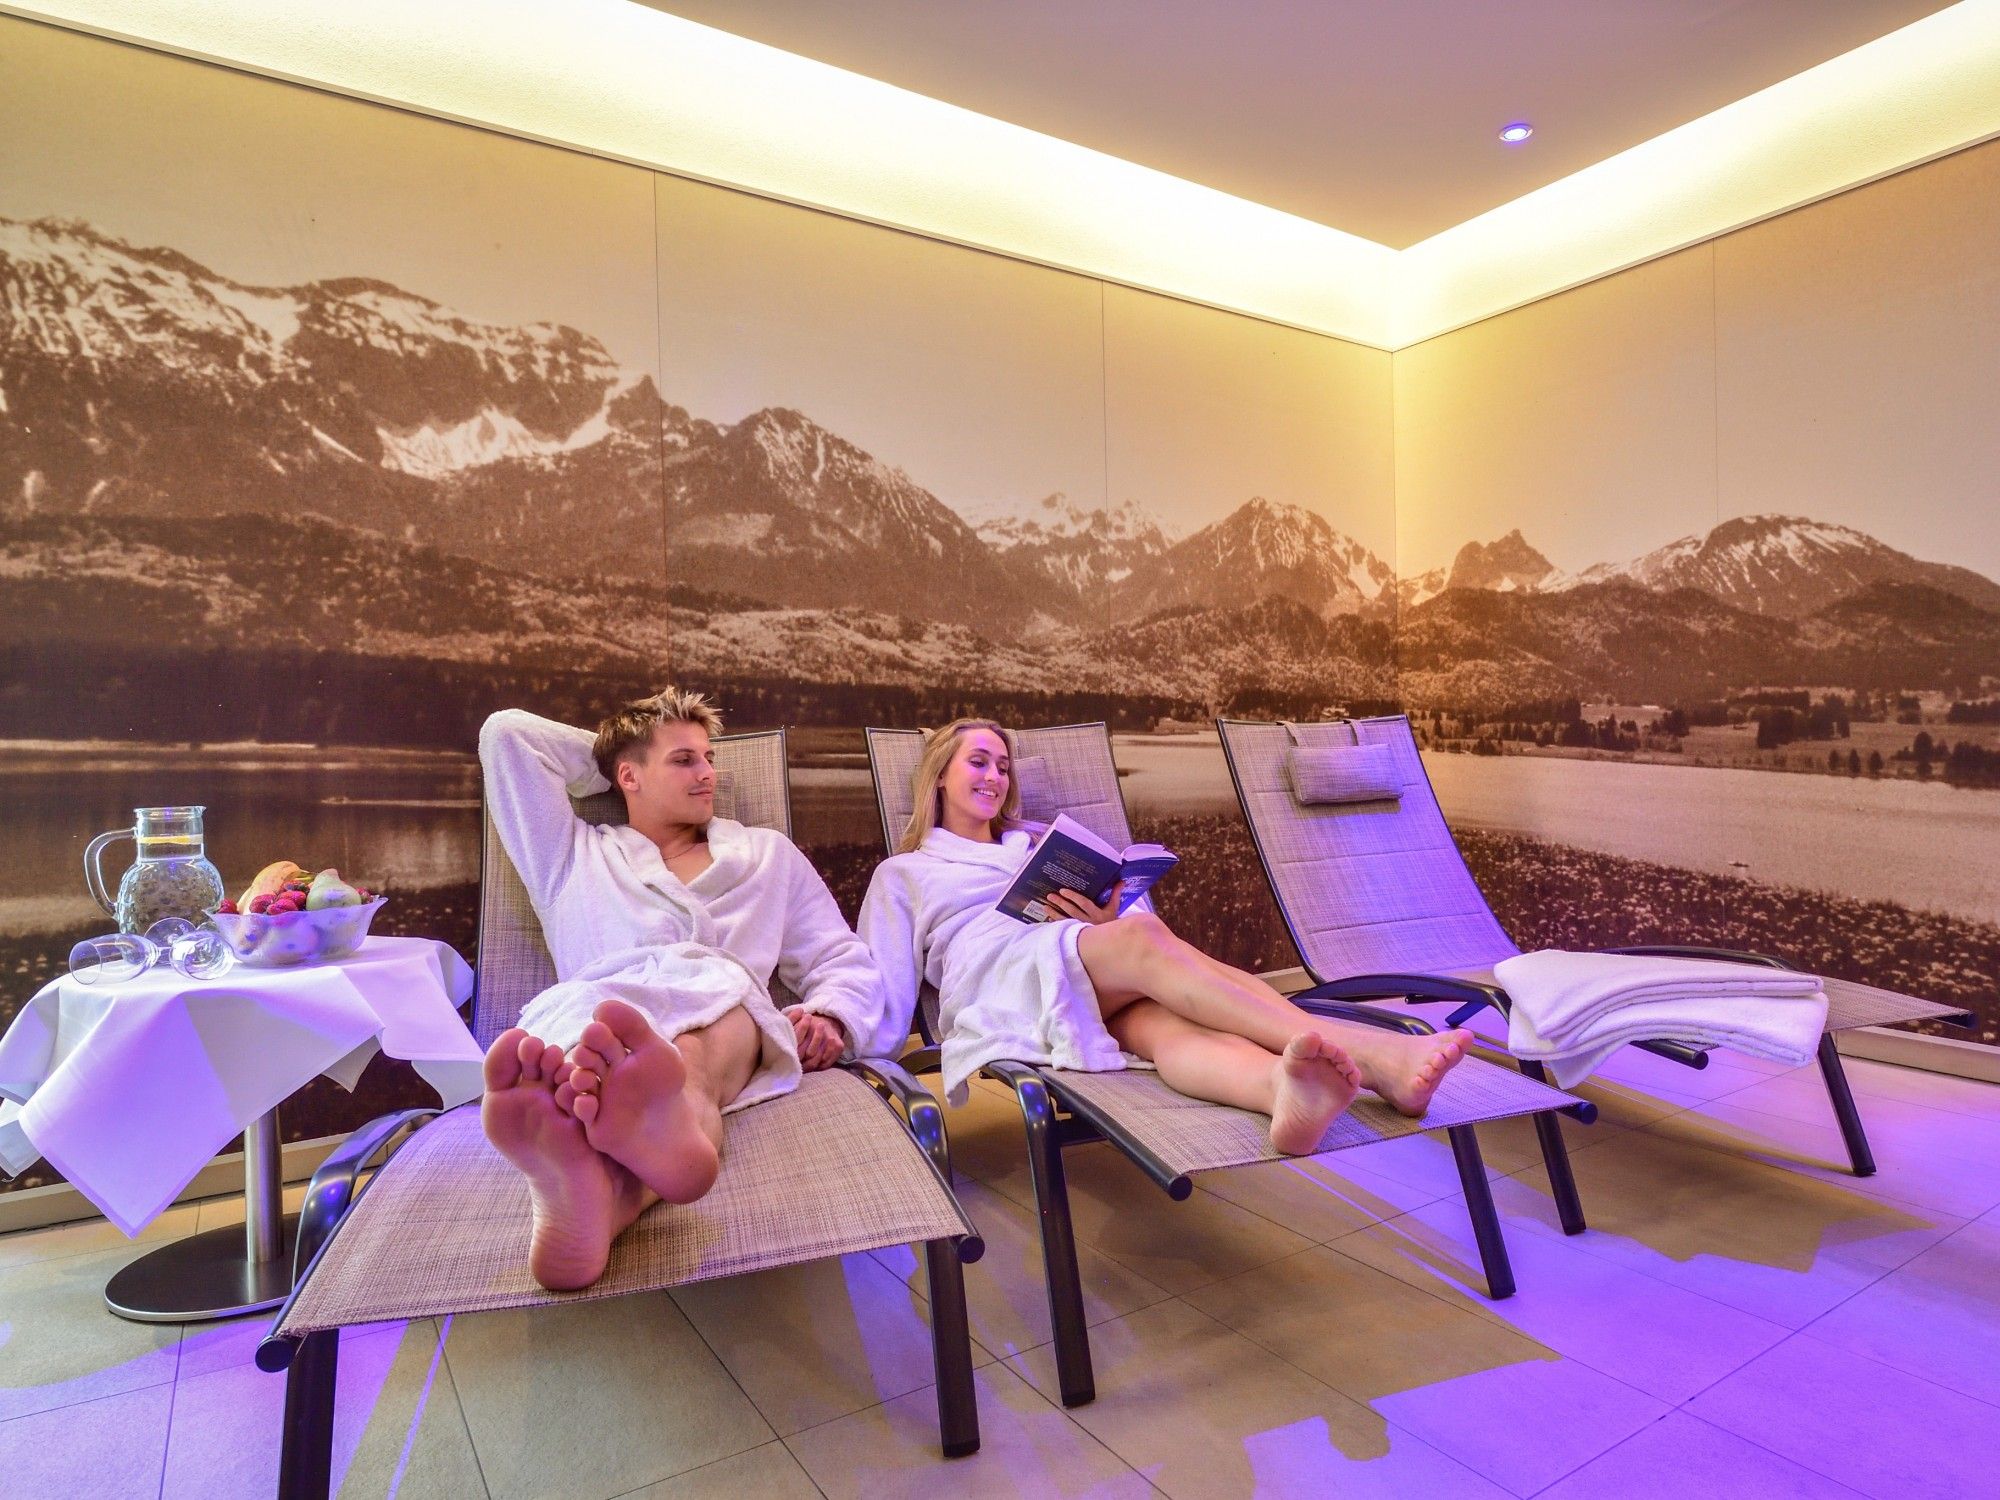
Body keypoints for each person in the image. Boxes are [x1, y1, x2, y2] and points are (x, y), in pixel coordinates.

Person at [859, 719, 1471, 1154]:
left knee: (1163, 1024)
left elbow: (1132, 922)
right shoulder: (905, 871)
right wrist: (848, 1042)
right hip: (995, 981)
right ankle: (1375, 1057)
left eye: (1003, 766)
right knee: (1145, 937)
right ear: (939, 776)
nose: (995, 776)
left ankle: (1279, 1092)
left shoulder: (1034, 844)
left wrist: (1105, 923)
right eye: (978, 761)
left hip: (1076, 974)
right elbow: (882, 982)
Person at [476, 691, 879, 1290]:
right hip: (595, 1012)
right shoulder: (570, 855)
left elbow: (837, 954)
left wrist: (832, 1014)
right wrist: (616, 754)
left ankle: (618, 1143)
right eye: (684, 760)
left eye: (709, 758)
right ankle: (610, 1193)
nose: (708, 773)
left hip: (722, 1007)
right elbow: (508, 735)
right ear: (628, 777)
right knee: (595, 1047)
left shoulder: (765, 854)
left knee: (688, 1049)